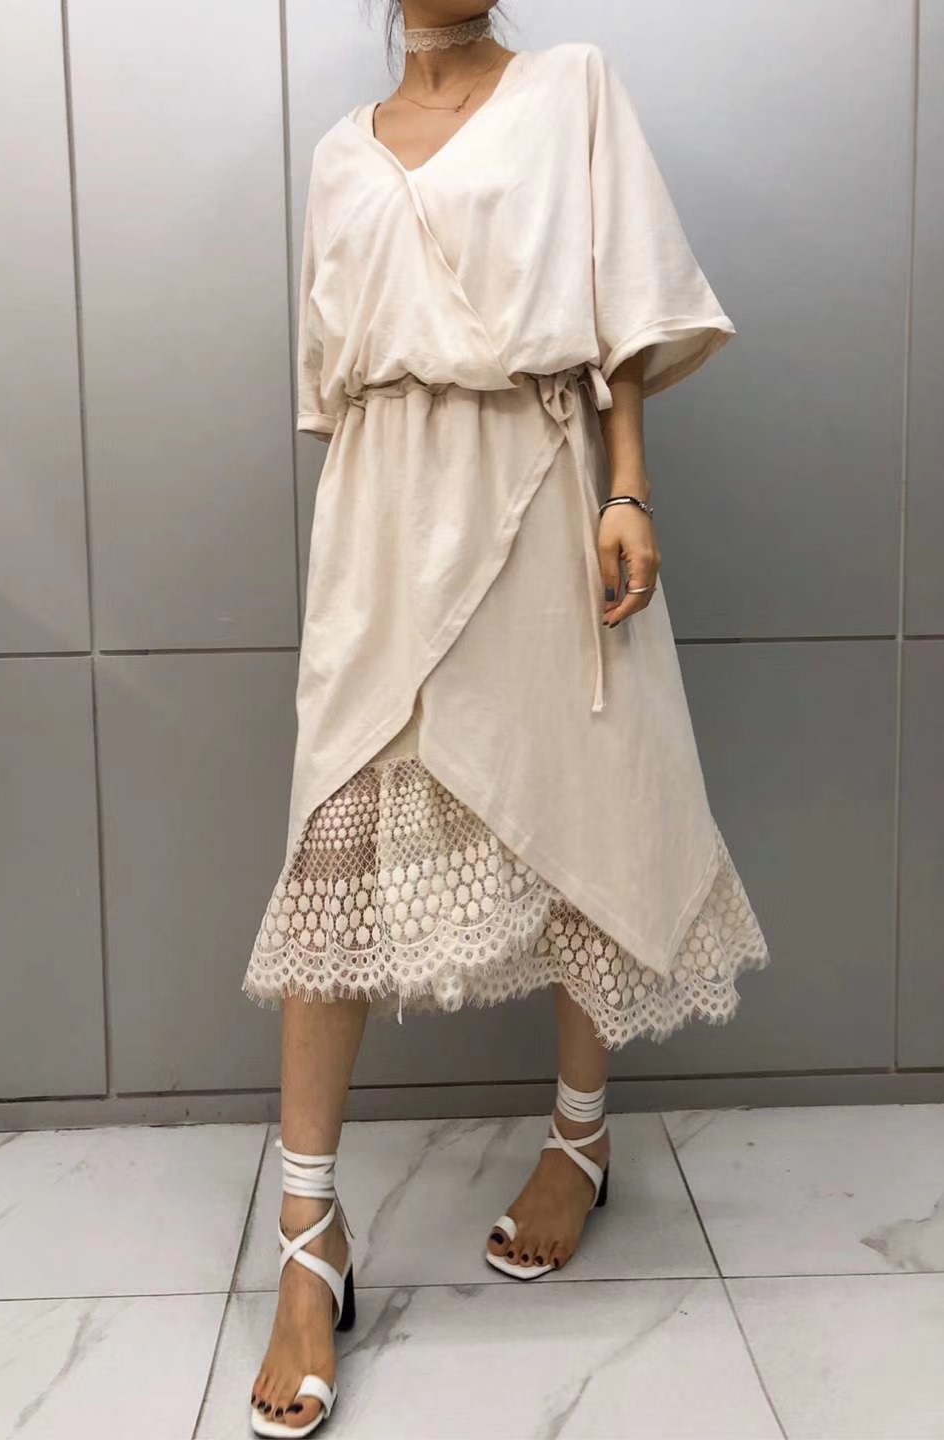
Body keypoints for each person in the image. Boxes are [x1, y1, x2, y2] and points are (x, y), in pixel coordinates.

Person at [243, 3, 770, 1434]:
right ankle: (307, 1240)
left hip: (536, 490)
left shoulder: (570, 90)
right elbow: (333, 383)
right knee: (335, 845)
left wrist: (627, 486)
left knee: (580, 808)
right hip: (380, 517)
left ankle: (578, 1143)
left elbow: (619, 308)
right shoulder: (339, 155)